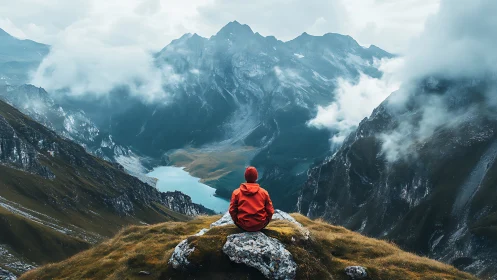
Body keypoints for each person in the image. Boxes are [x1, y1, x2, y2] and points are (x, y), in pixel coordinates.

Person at [229, 166, 274, 232]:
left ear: (245, 177)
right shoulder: (264, 193)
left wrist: (237, 220)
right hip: (260, 225)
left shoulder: (236, 193)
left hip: (242, 225)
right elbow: (270, 211)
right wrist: (266, 220)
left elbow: (232, 210)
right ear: (256, 177)